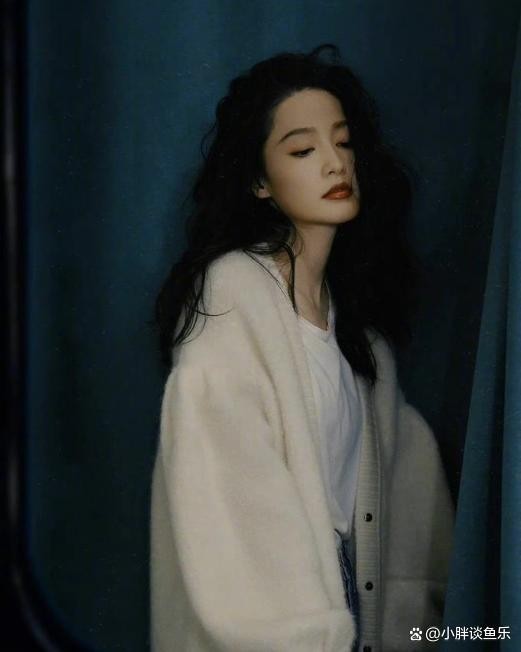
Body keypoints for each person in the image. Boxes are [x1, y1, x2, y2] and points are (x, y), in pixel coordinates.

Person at [150, 44, 454, 652]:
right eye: (303, 150)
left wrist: (458, 629)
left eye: (343, 142)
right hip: (288, 627)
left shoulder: (363, 343)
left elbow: (413, 514)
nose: (335, 163)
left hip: (349, 615)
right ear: (259, 182)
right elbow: (233, 492)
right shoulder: (232, 292)